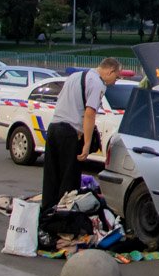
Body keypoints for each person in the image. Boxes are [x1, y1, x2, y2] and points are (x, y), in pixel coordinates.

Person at [42, 57, 122, 210]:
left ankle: (47, 213)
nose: (115, 81)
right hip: (69, 133)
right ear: (110, 71)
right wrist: (86, 144)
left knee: (51, 177)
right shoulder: (98, 83)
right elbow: (90, 113)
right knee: (69, 181)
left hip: (54, 129)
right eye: (116, 77)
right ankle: (64, 219)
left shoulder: (75, 76)